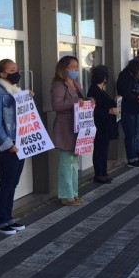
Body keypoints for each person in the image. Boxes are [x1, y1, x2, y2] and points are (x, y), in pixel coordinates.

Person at [0, 59, 27, 235]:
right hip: (7, 145)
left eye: (17, 68)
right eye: (12, 70)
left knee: (13, 182)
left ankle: (8, 217)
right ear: (2, 74)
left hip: (19, 143)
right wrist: (8, 144)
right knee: (7, 182)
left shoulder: (15, 92)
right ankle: (0, 221)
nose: (16, 72)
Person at [51, 56, 93, 205]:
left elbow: (80, 99)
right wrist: (75, 102)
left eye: (77, 66)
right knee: (66, 161)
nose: (76, 69)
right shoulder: (59, 85)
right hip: (65, 126)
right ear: (64, 68)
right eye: (73, 67)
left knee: (74, 161)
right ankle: (66, 195)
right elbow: (57, 105)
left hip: (78, 126)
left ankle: (73, 193)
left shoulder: (76, 83)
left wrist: (89, 100)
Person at [87, 65, 118, 184]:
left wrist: (114, 101)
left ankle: (103, 172)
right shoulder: (94, 90)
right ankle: (99, 174)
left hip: (104, 125)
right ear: (104, 77)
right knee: (100, 149)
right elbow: (94, 109)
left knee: (104, 149)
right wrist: (108, 111)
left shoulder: (100, 90)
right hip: (99, 125)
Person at [116, 59, 139, 168]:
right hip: (127, 110)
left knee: (135, 134)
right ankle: (132, 159)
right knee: (130, 135)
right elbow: (126, 94)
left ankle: (135, 156)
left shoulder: (135, 78)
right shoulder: (124, 78)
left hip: (136, 108)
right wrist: (137, 99)